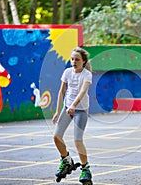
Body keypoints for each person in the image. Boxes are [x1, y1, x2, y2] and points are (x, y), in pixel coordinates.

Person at [52, 47, 93, 184]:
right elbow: (61, 92)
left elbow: (82, 92)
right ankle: (66, 160)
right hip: (67, 108)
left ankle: (85, 169)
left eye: (77, 59)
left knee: (77, 140)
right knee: (56, 136)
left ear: (83, 61)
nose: (74, 62)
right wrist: (58, 111)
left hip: (80, 109)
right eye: (72, 59)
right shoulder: (67, 72)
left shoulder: (87, 75)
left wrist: (74, 105)